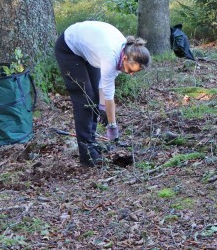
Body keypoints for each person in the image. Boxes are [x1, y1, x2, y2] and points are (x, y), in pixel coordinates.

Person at [54, 21, 151, 166]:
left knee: (94, 100)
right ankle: (87, 154)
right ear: (125, 59)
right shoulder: (110, 57)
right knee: (85, 101)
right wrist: (112, 126)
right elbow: (109, 95)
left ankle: (91, 143)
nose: (130, 74)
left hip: (87, 50)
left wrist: (102, 107)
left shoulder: (125, 52)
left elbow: (102, 87)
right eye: (130, 70)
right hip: (68, 48)